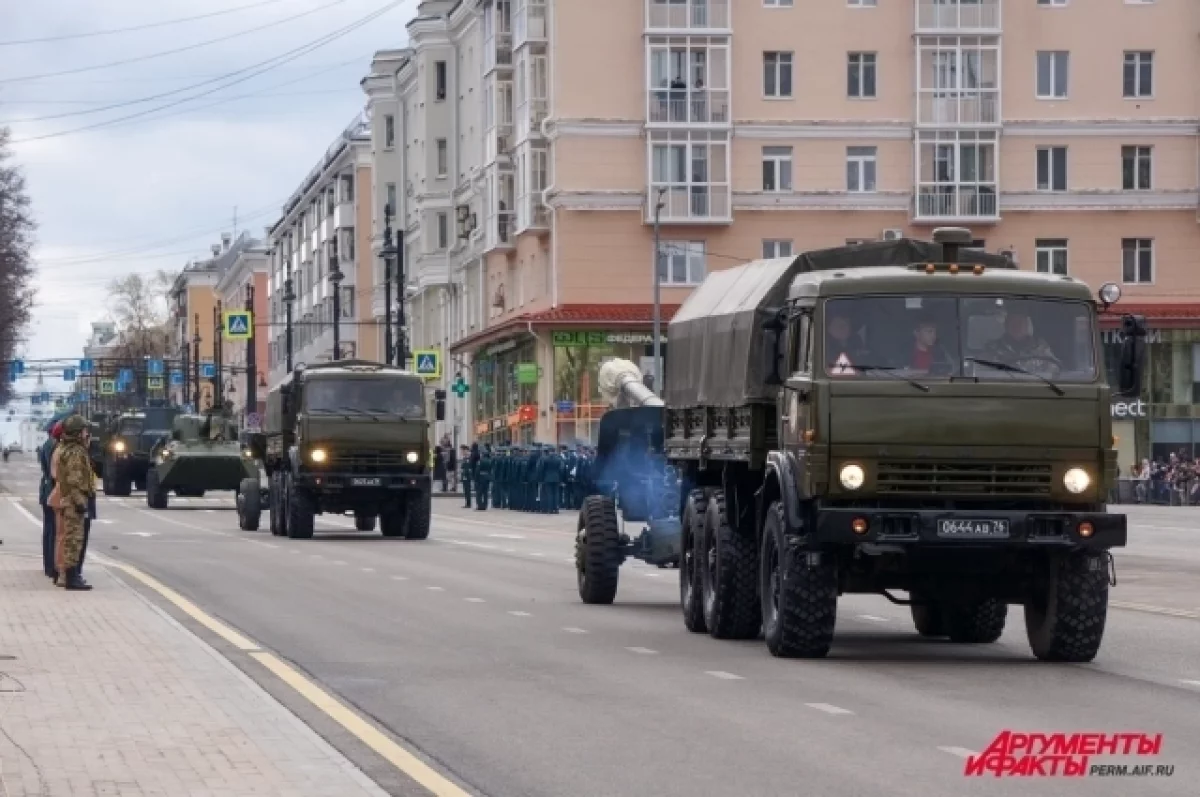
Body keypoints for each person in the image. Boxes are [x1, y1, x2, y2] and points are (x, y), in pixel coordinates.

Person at [51, 415, 94, 590]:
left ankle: (73, 575)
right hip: (73, 501)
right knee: (73, 539)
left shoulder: (70, 448)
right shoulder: (75, 452)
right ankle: (71, 577)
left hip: (69, 499)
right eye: (84, 431)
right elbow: (74, 480)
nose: (86, 434)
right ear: (77, 432)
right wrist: (80, 502)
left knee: (73, 538)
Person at [982, 308, 1059, 376]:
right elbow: (982, 374)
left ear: (1027, 325)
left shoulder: (1041, 348)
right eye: (1013, 322)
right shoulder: (992, 349)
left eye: (1020, 322)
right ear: (1006, 325)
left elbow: (1055, 373)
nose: (1017, 326)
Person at [38, 421, 63, 580]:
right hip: (52, 489)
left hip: (46, 489)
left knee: (49, 530)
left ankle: (48, 565)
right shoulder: (53, 446)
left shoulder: (46, 445)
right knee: (53, 530)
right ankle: (52, 566)